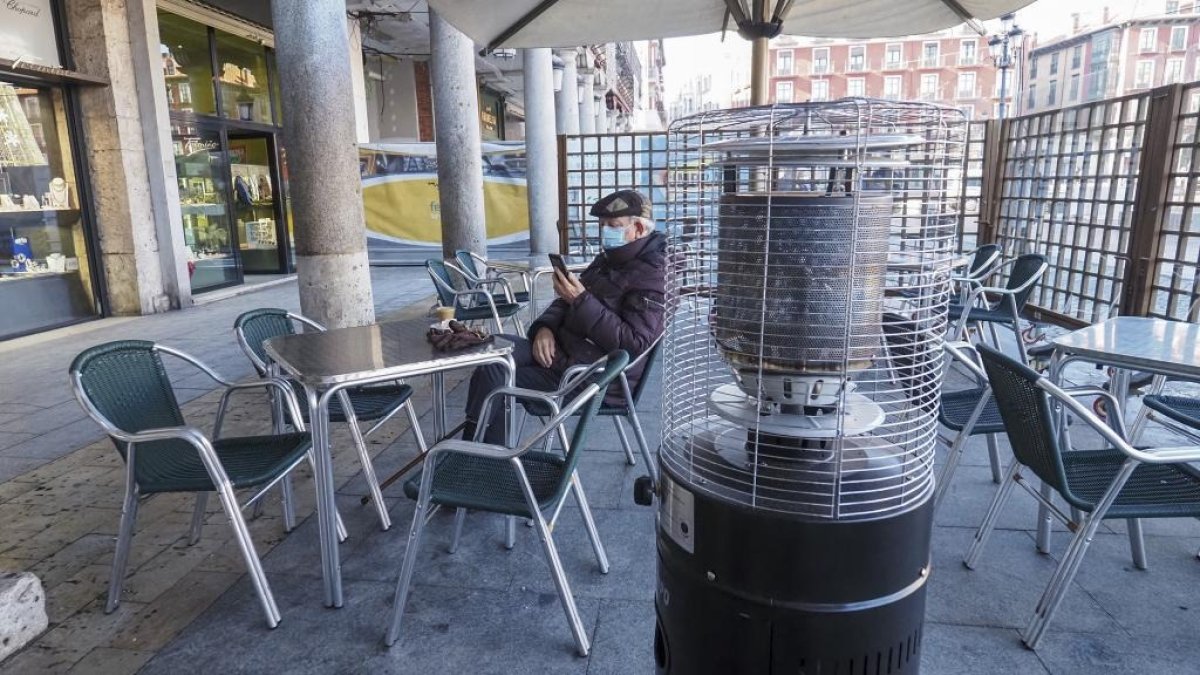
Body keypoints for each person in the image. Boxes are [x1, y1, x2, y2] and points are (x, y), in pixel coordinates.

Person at [462, 189, 667, 444]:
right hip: (564, 354)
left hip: (591, 375)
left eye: (612, 226)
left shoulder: (655, 275)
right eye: (602, 225)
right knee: (494, 353)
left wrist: (580, 301)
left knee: (497, 379)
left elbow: (633, 344)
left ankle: (479, 459)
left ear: (638, 227)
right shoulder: (608, 259)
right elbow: (564, 302)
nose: (605, 232)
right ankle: (474, 451)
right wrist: (544, 329)